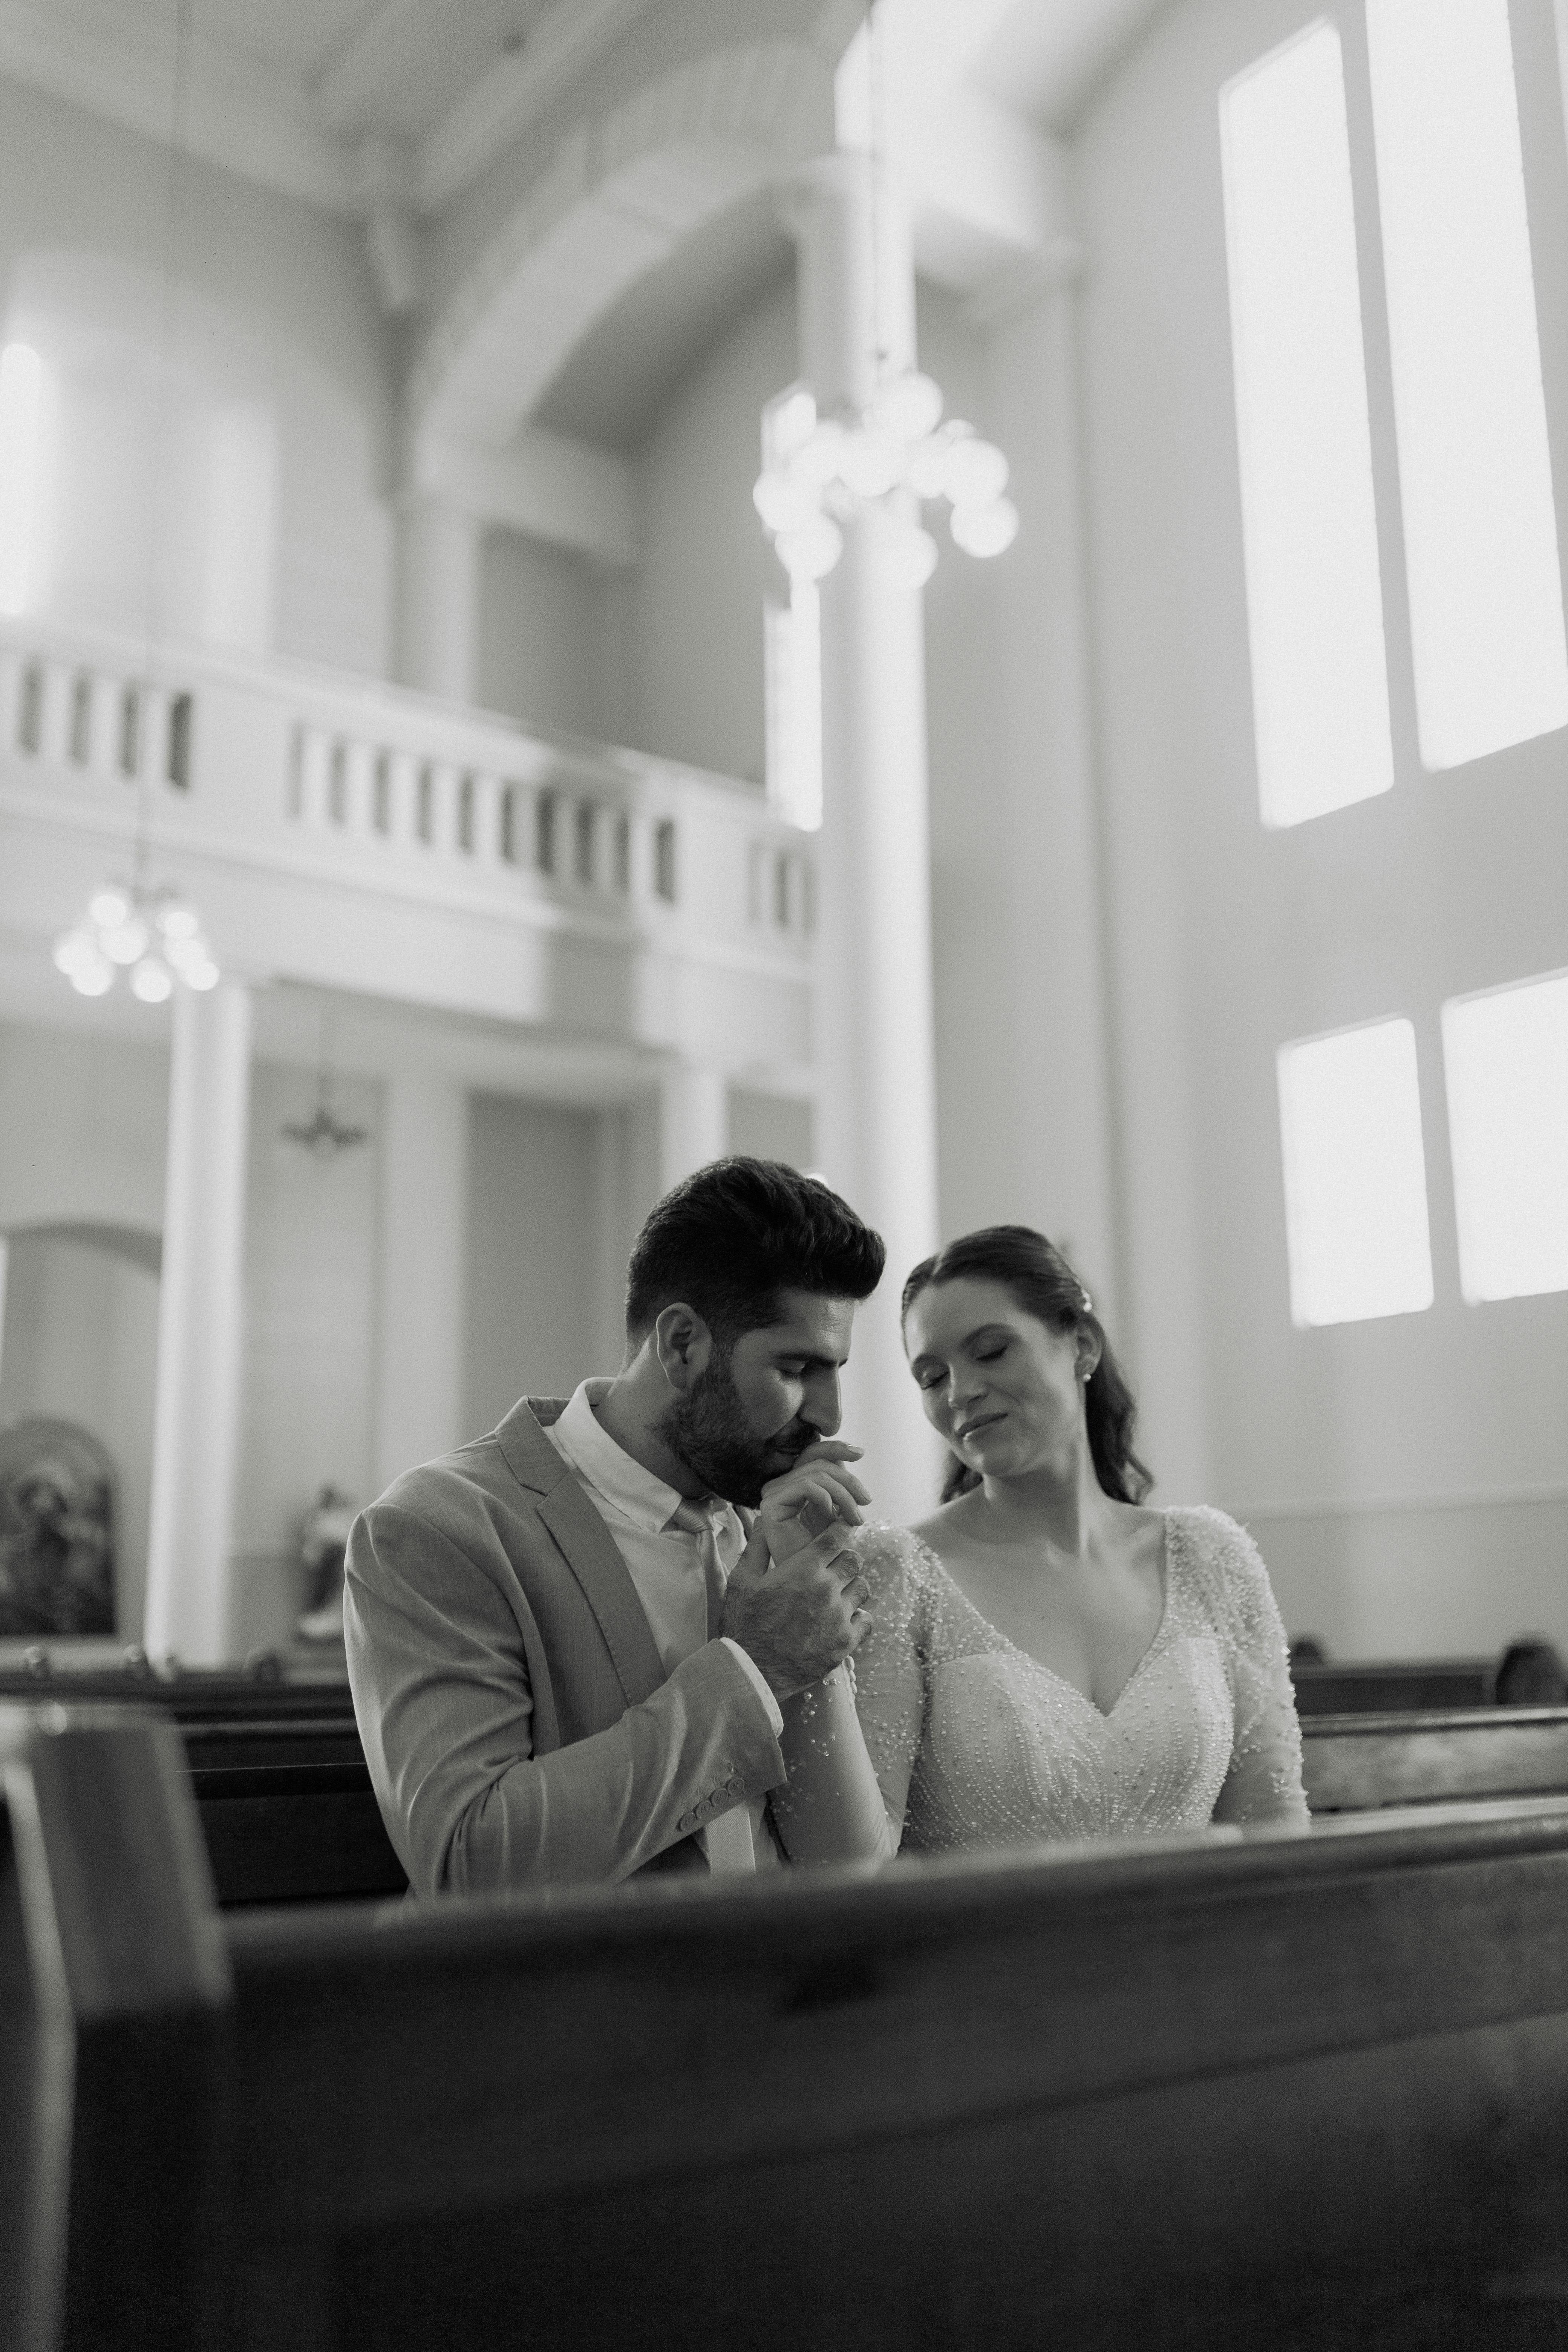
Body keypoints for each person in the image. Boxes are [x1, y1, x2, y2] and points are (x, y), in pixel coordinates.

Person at [344, 1157, 888, 1896]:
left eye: (835, 1371)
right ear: (682, 1346)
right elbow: (470, 1862)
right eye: (796, 1368)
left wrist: (808, 1655)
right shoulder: (436, 1529)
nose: (829, 1416)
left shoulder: (772, 1526)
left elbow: (849, 1868)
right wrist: (756, 1669)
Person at [810, 1226, 1309, 1857]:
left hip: (1191, 1948)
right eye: (932, 1377)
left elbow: (1276, 1829)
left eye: (991, 1352)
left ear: (1081, 1346)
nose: (960, 1392)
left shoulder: (1212, 1557)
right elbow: (860, 1862)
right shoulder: (899, 1574)